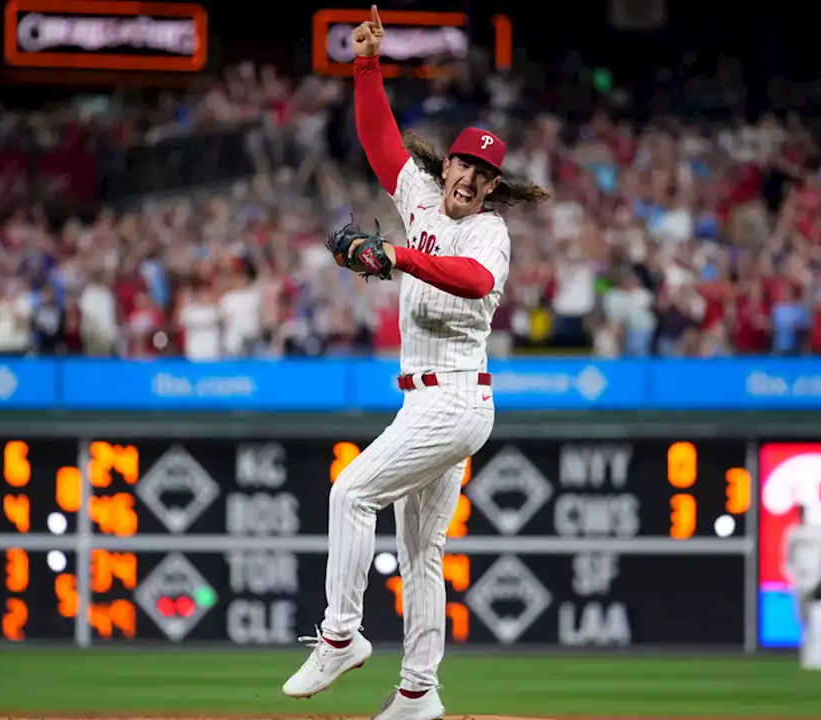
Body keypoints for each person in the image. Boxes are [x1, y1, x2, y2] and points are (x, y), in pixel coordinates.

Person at [281, 6, 550, 720]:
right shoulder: (425, 196)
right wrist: (365, 63)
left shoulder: (489, 232)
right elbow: (378, 141)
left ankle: (341, 634)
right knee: (421, 555)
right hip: (423, 400)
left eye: (484, 171)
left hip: (457, 402)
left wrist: (397, 254)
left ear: (493, 186)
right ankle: (418, 694)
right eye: (465, 161)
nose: (469, 177)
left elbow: (473, 281)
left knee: (351, 493)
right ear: (452, 163)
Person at [783, 504, 821, 671]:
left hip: (815, 578)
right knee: (803, 619)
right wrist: (790, 577)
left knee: (817, 619)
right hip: (799, 579)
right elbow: (788, 558)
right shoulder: (793, 533)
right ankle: (807, 658)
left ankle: (820, 659)